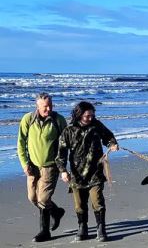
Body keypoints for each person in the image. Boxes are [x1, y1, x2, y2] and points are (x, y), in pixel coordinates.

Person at [56, 101, 118, 242]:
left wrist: (112, 144)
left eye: (92, 115)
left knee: (97, 200)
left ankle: (101, 229)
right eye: (87, 116)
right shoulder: (69, 130)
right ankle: (82, 227)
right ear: (79, 115)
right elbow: (61, 153)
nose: (91, 118)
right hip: (77, 175)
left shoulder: (96, 125)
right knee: (79, 204)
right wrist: (63, 171)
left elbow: (108, 136)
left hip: (95, 171)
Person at [17, 92, 67, 242]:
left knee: (43, 199)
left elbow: (65, 145)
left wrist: (63, 166)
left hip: (50, 166)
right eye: (45, 106)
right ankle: (56, 212)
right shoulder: (28, 119)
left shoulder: (58, 120)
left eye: (51, 105)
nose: (48, 108)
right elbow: (21, 143)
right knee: (32, 198)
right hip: (32, 166)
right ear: (37, 106)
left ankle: (44, 232)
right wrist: (24, 163)